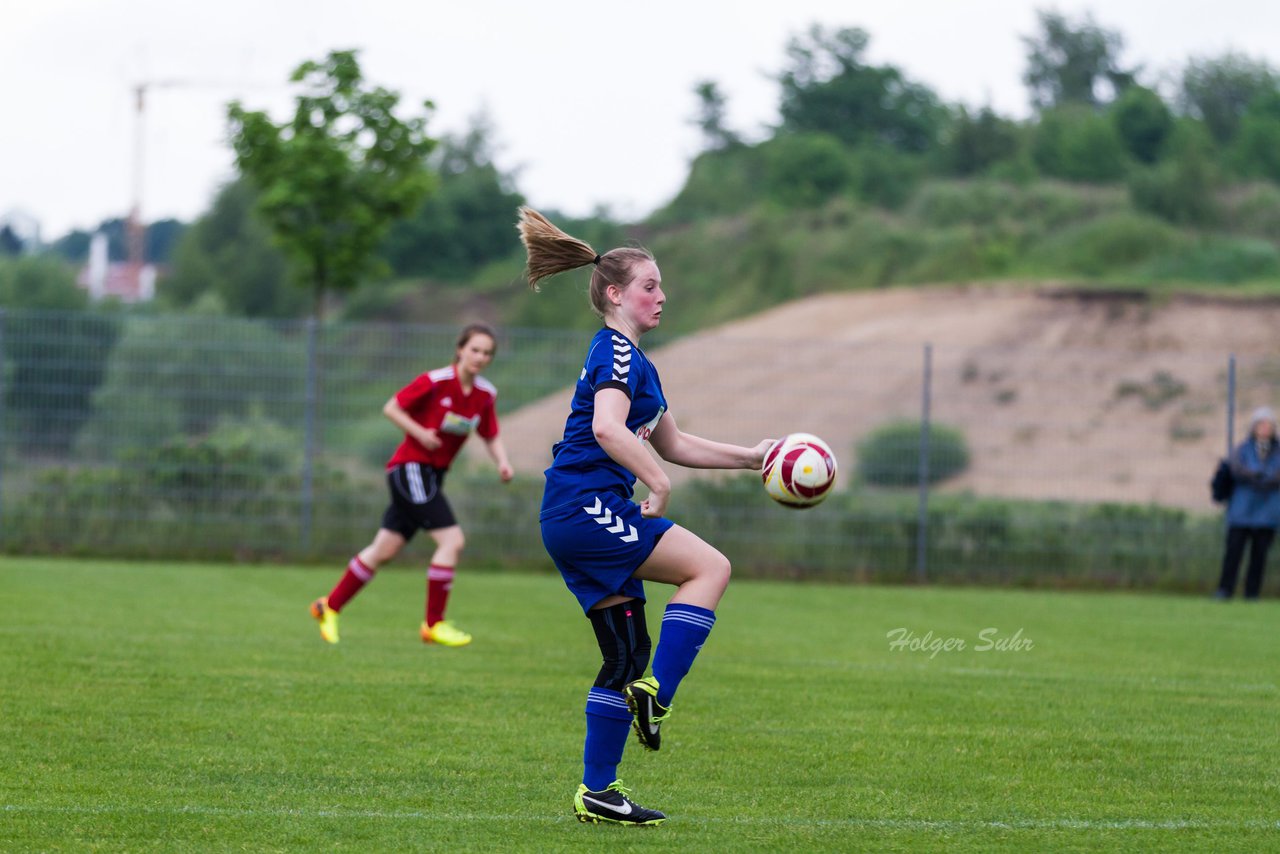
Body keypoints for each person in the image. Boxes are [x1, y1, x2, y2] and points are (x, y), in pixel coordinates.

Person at [517, 206, 774, 826]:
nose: (662, 296)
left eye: (661, 286)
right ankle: (657, 696)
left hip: (573, 513)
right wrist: (657, 482)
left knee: (624, 654)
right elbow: (609, 429)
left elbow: (675, 443)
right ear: (615, 294)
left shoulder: (637, 364)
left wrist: (754, 458)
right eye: (650, 286)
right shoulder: (619, 356)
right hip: (588, 507)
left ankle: (598, 792)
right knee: (710, 568)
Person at [310, 323, 514, 645]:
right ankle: (433, 624)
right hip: (411, 469)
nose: (480, 357)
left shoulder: (485, 395)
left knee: (384, 549)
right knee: (452, 541)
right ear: (460, 349)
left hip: (432, 475)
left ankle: (328, 607)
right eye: (475, 349)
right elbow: (391, 407)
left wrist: (502, 462)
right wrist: (420, 433)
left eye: (487, 353)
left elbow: (489, 433)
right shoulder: (434, 382)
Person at [1215, 406, 1280, 600]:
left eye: (1268, 424)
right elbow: (1235, 469)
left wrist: (1264, 478)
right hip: (1241, 511)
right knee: (1233, 553)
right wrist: (1256, 475)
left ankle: (1252, 593)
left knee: (1259, 556)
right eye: (1261, 424)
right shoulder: (1241, 449)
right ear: (1253, 427)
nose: (1264, 428)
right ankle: (1225, 590)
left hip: (1268, 512)